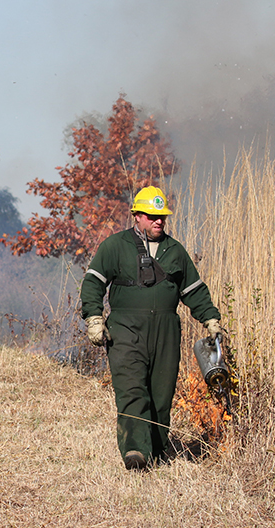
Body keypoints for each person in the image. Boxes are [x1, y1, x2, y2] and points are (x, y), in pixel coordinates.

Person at [80, 186, 221, 471]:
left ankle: (155, 450)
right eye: (153, 216)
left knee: (161, 393)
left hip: (166, 331)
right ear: (137, 216)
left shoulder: (175, 251)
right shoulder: (115, 246)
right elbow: (93, 282)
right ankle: (135, 450)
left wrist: (211, 319)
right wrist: (94, 318)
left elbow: (193, 290)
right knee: (132, 389)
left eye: (162, 217)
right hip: (125, 328)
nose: (159, 221)